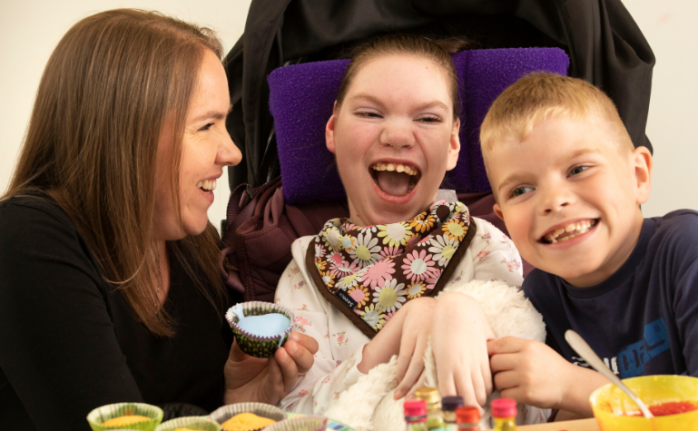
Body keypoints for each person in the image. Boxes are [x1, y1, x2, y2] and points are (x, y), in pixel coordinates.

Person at [0, 10, 317, 431]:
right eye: (206, 125)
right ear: (126, 133)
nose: (233, 152)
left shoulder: (192, 245)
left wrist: (238, 401)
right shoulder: (25, 238)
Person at [271, 35, 544, 423]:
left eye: (428, 118)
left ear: (452, 144)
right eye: (370, 114)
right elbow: (292, 419)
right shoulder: (306, 273)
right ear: (332, 129)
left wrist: (455, 311)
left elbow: (530, 411)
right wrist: (395, 335)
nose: (397, 136)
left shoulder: (485, 247)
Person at [480, 72, 698, 419]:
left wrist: (574, 388)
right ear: (502, 218)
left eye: (578, 169)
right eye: (521, 191)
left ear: (639, 176)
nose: (553, 201)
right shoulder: (539, 295)